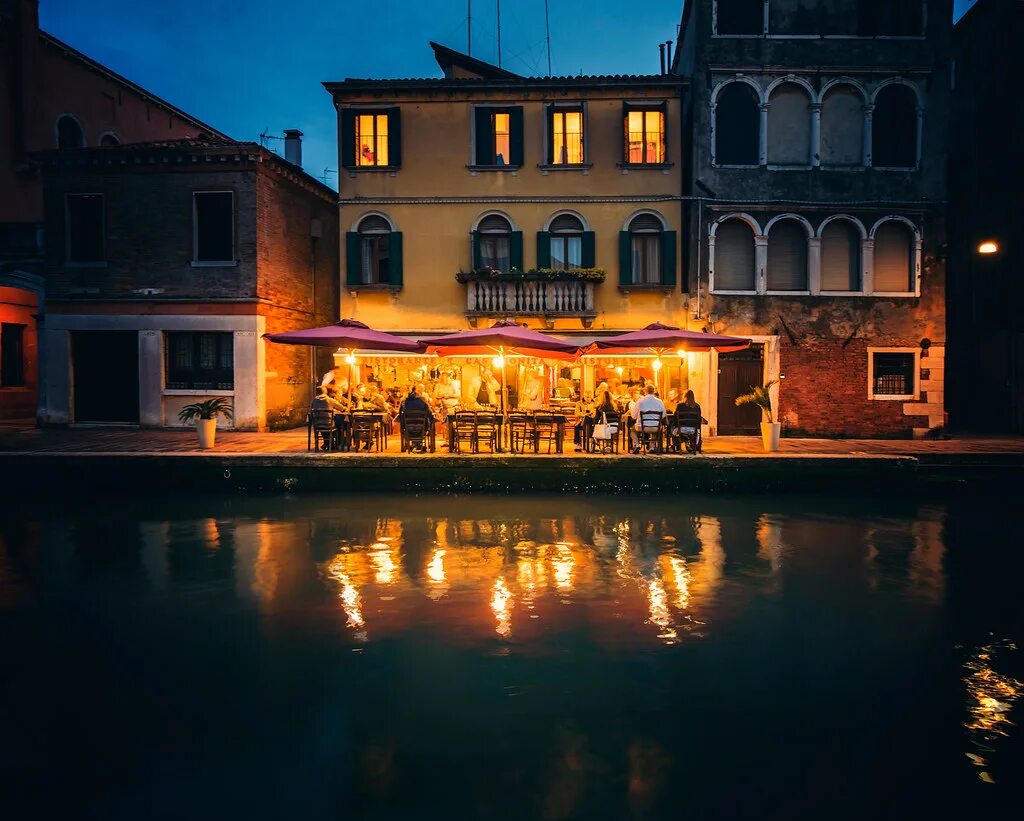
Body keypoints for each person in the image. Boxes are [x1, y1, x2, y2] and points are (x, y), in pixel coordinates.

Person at [629, 384, 666, 453]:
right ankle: (652, 447)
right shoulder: (659, 401)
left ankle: (637, 445)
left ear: (645, 391)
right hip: (655, 427)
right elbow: (663, 415)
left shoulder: (640, 401)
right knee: (656, 430)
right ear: (654, 391)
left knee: (632, 429)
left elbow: (633, 416)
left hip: (642, 427)